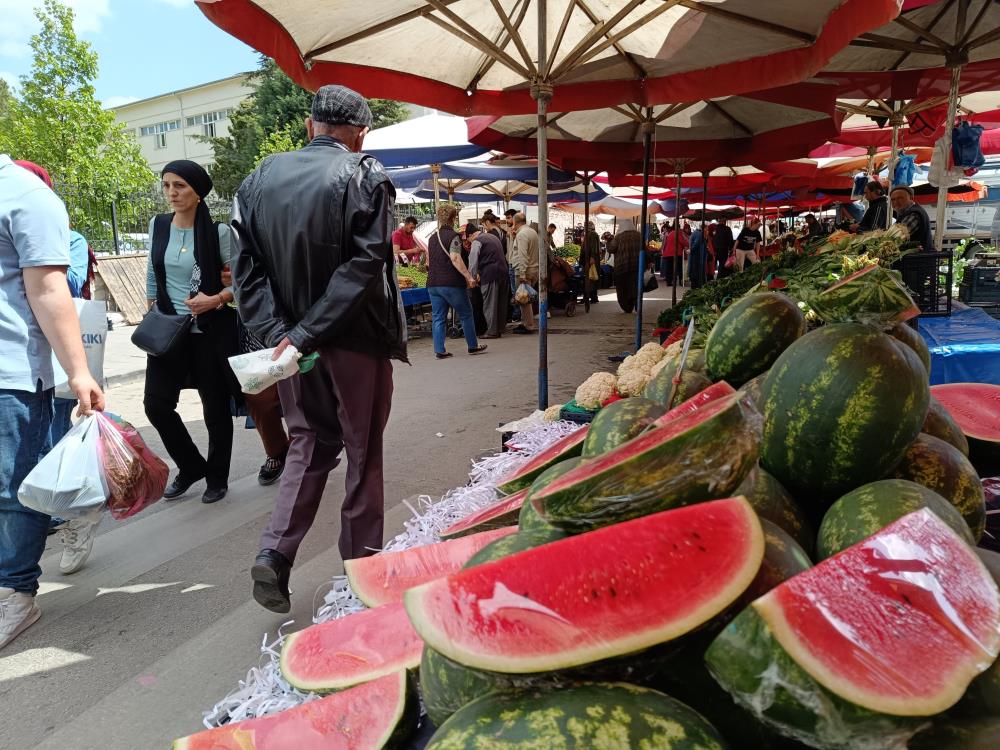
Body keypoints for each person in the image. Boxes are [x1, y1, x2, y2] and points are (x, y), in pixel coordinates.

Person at [233, 84, 407, 613]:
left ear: (310, 126)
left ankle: (276, 551)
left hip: (292, 346)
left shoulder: (257, 179)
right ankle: (363, 567)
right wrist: (305, 333)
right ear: (359, 134)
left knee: (306, 443)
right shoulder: (364, 175)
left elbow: (247, 274)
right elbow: (365, 265)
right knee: (361, 451)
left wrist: (280, 337)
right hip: (352, 339)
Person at [0, 155, 105, 649]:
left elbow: (49, 288)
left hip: (11, 374)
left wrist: (79, 371)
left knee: (12, 489)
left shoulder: (27, 196)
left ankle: (15, 592)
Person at [15, 161, 102, 573]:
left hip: (57, 354)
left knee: (55, 447)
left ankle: (75, 518)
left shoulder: (71, 237)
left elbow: (63, 289)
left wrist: (34, 254)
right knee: (35, 459)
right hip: (26, 355)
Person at [144, 160, 238, 506]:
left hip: (208, 332)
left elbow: (243, 283)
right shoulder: (159, 225)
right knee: (155, 405)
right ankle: (191, 465)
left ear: (198, 192)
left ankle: (217, 477)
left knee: (214, 409)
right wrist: (152, 306)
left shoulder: (219, 233)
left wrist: (215, 299)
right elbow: (154, 272)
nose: (171, 193)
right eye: (167, 185)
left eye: (180, 186)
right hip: (168, 331)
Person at [426, 204, 487, 357]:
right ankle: (472, 346)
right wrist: (468, 277)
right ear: (453, 218)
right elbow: (455, 258)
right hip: (451, 283)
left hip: (433, 283)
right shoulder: (454, 236)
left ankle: (439, 350)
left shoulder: (432, 238)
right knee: (466, 313)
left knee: (438, 317)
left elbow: (428, 262)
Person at [464, 223, 509, 338]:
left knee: (490, 304)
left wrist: (471, 278)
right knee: (500, 303)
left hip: (490, 274)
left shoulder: (477, 241)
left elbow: (473, 260)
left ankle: (492, 331)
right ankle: (499, 328)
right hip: (503, 272)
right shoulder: (492, 237)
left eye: (468, 239)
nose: (468, 242)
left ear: (470, 235)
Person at [509, 212, 540, 334]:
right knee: (526, 298)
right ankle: (526, 323)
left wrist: (522, 274)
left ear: (515, 222)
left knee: (523, 299)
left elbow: (522, 255)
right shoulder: (532, 232)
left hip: (525, 271)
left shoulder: (522, 234)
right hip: (533, 269)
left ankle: (528, 325)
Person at [609, 220, 641, 313]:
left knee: (622, 288)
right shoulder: (639, 236)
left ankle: (627, 307)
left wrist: (608, 241)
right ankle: (637, 304)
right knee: (635, 286)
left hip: (621, 267)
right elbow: (644, 249)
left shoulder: (618, 237)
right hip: (636, 266)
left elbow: (612, 249)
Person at [890, 185, 934, 251]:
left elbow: (896, 236)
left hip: (918, 259)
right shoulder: (904, 214)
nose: (896, 202)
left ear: (911, 198)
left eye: (900, 198)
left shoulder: (914, 214)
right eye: (893, 199)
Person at [661, 220, 688, 285]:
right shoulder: (678, 233)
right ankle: (681, 281)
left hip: (668, 253)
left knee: (669, 268)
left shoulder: (670, 233)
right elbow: (683, 242)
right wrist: (688, 244)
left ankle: (669, 282)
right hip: (676, 253)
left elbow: (665, 243)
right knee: (679, 267)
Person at [688, 224, 707, 289]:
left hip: (695, 256)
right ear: (703, 228)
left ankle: (695, 286)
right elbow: (696, 245)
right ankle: (696, 287)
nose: (707, 231)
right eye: (706, 229)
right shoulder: (699, 234)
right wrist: (691, 250)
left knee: (694, 272)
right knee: (697, 273)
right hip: (697, 257)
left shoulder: (695, 233)